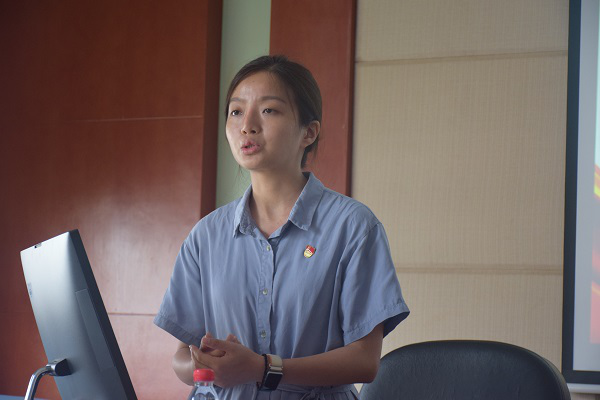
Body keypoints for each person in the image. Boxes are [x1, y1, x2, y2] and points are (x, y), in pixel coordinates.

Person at [154, 55, 409, 400]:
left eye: (269, 110)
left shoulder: (353, 227)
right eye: (236, 111)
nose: (247, 126)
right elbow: (182, 357)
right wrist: (206, 367)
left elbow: (364, 360)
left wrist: (262, 368)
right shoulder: (206, 236)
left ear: (309, 132)